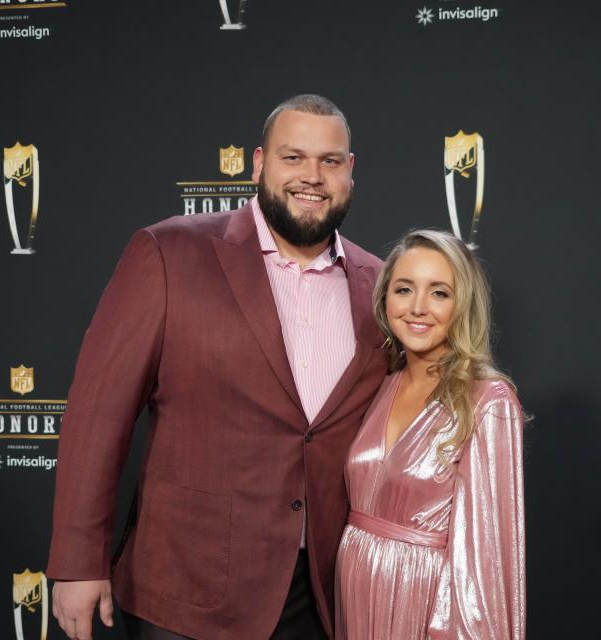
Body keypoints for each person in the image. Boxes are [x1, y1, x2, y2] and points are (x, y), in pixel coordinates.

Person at [46, 94, 389, 640]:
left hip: (324, 596)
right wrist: (77, 561)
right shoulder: (169, 252)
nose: (312, 176)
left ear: (350, 172)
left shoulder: (380, 285)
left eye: (329, 161)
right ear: (259, 164)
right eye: (293, 157)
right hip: (186, 588)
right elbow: (97, 417)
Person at [335, 230, 525, 639]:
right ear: (386, 298)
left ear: (463, 305)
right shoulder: (377, 385)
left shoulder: (487, 400)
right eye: (404, 289)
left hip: (424, 599)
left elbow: (486, 557)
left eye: (439, 293)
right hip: (355, 585)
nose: (418, 308)